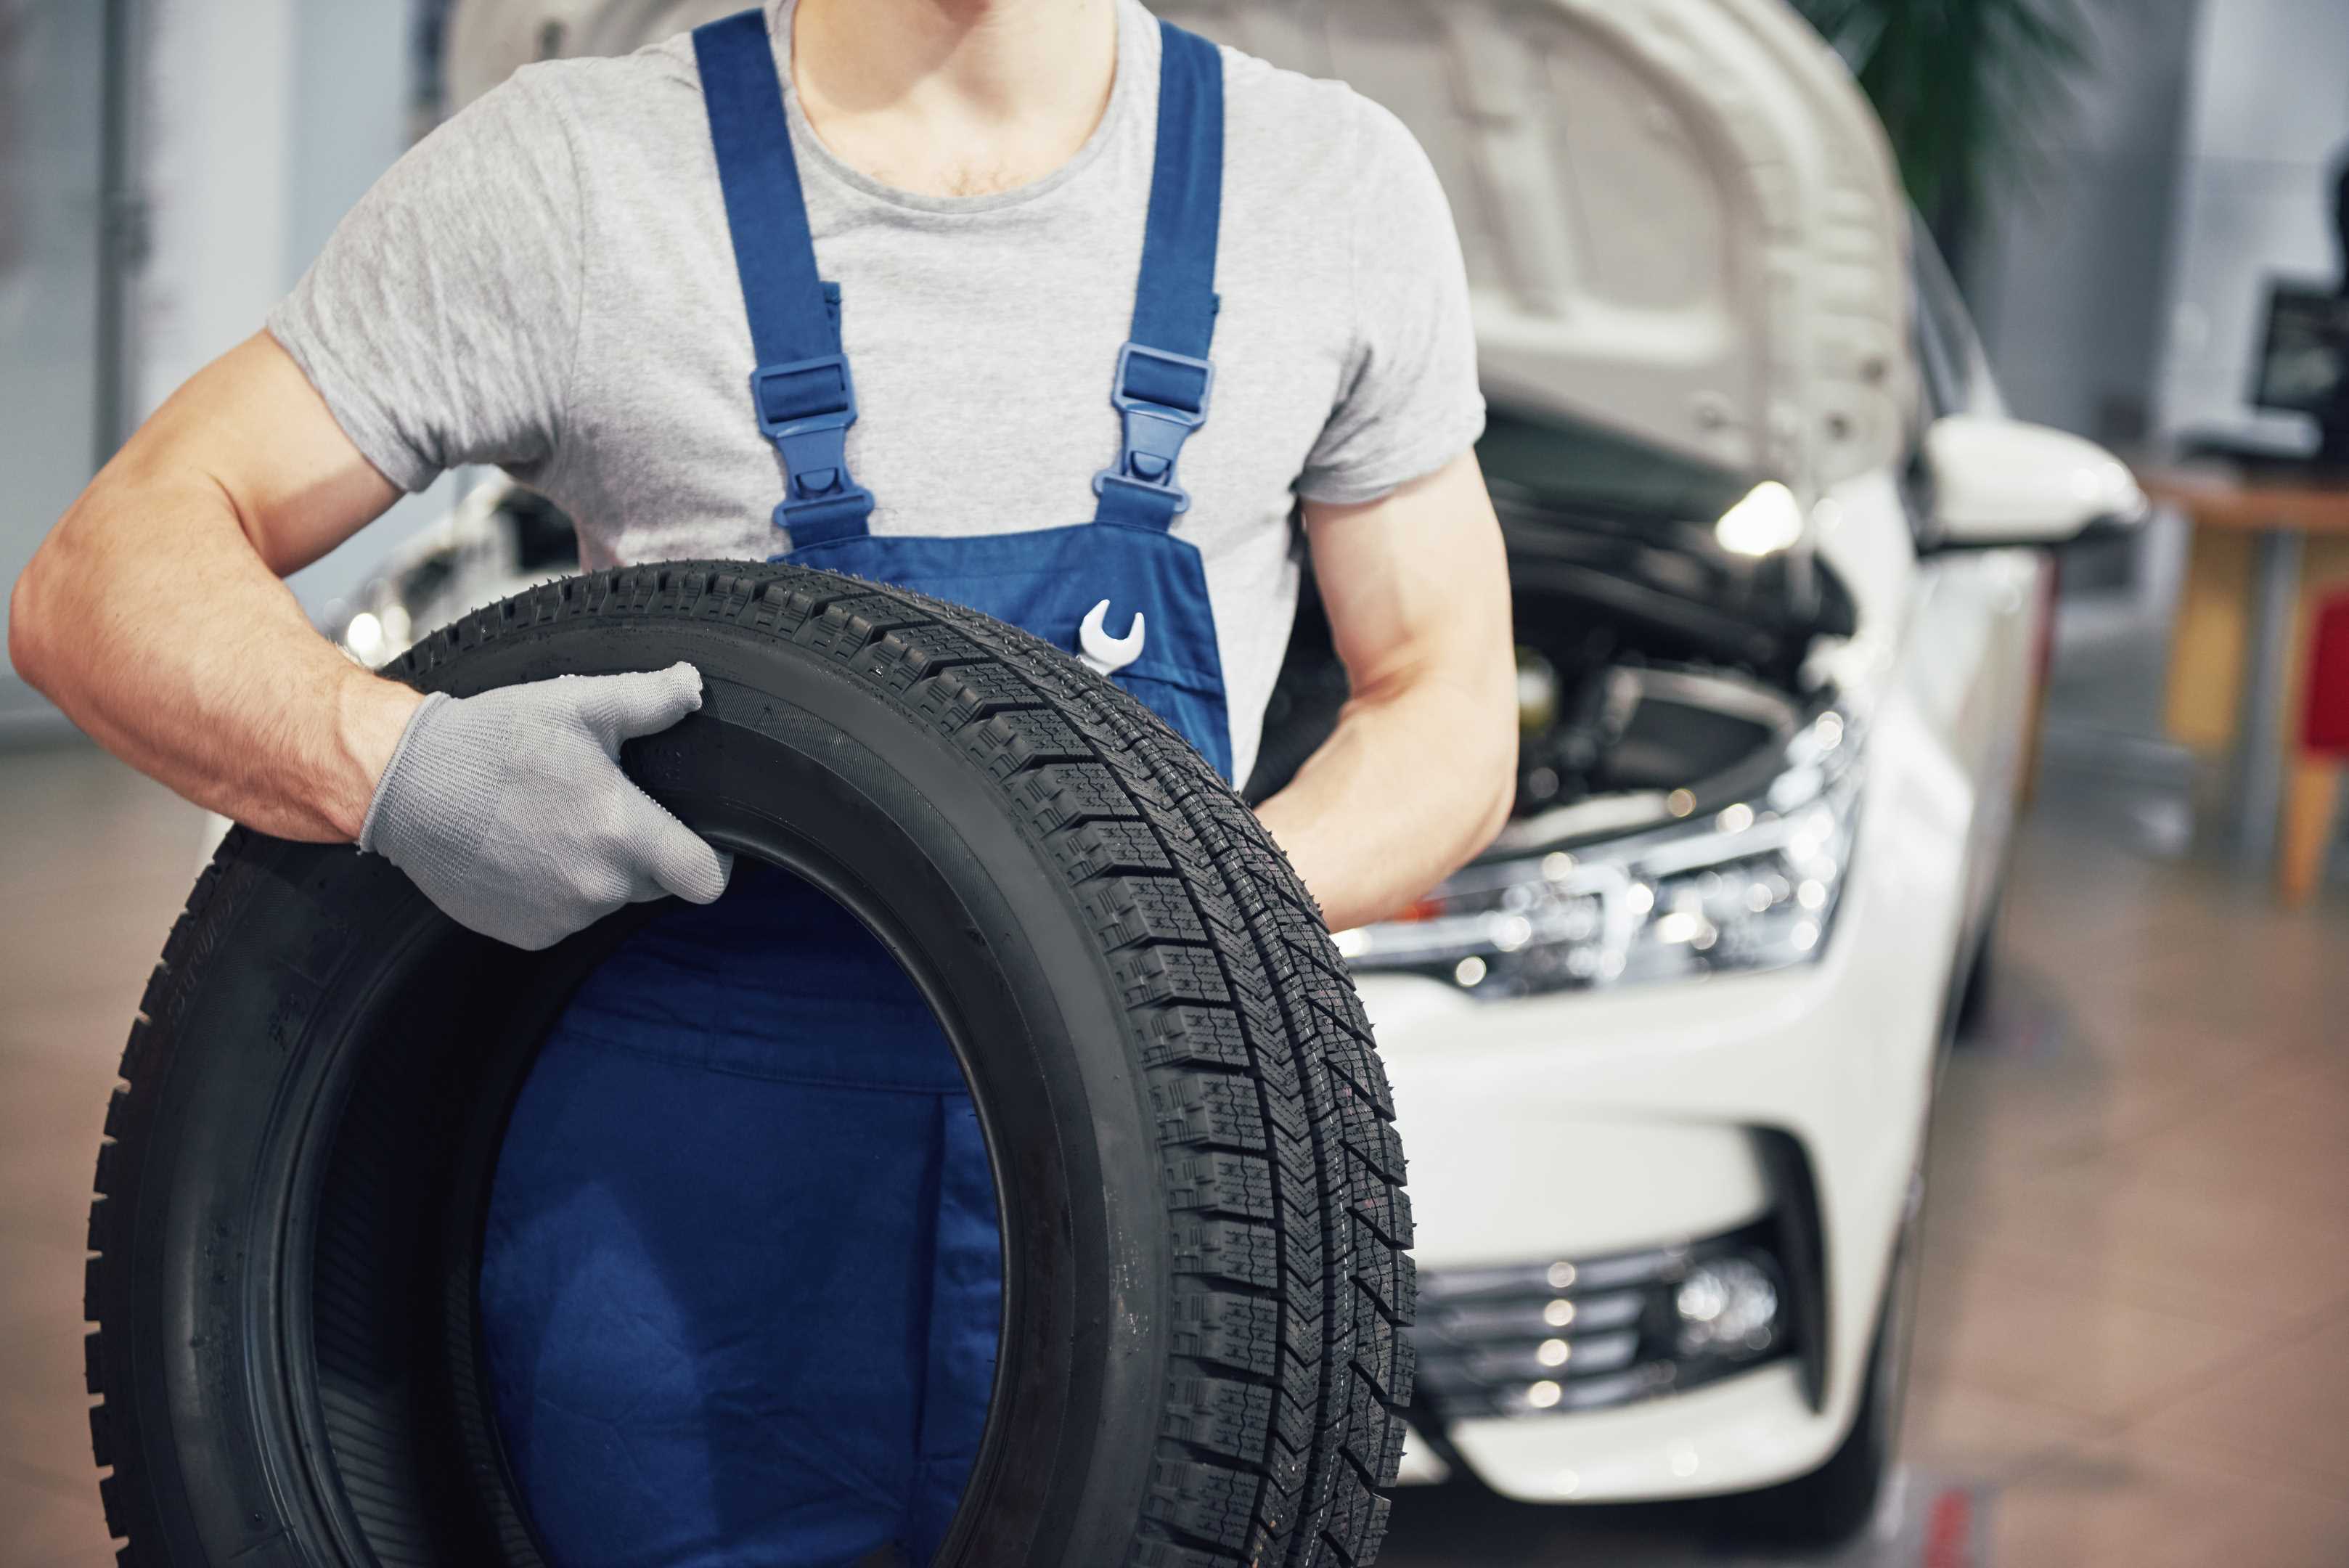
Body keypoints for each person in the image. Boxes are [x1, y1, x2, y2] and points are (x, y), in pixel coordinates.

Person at [11, 1, 1516, 1562]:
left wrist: (1163, 933)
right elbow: (102, 573)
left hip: (1167, 1229)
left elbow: (1448, 707)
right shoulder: (584, 171)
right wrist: (391, 760)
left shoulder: (1328, 186)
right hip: (676, 1269)